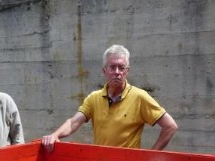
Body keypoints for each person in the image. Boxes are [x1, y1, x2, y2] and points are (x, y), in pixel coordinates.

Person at [42, 45, 178, 152]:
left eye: (121, 67)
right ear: (104, 70)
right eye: (112, 67)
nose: (117, 72)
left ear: (127, 71)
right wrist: (56, 135)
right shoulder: (94, 98)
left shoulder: (139, 97)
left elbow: (170, 126)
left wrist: (150, 156)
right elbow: (73, 122)